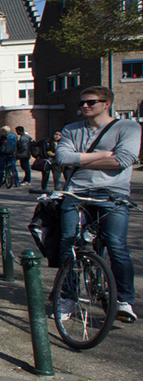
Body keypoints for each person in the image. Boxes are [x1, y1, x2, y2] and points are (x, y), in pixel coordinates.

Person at [55, 86, 140, 323]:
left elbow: (123, 160)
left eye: (90, 102)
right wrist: (103, 155)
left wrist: (80, 159)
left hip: (112, 193)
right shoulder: (72, 129)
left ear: (106, 104)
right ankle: (67, 297)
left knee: (116, 245)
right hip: (77, 192)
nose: (84, 106)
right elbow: (62, 158)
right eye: (82, 103)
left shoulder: (128, 127)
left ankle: (124, 300)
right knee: (68, 243)